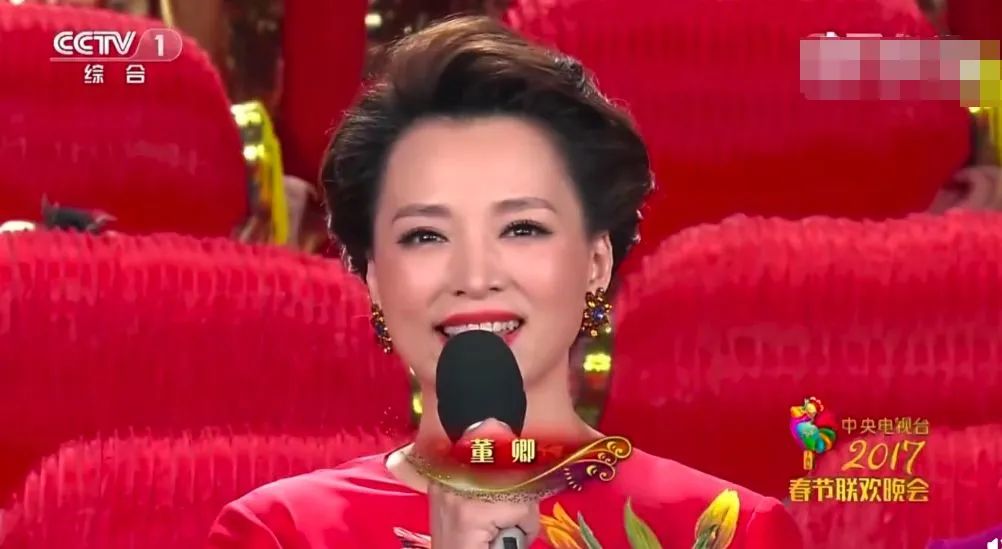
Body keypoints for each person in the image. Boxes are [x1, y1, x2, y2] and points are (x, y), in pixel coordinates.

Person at [207, 16, 803, 549]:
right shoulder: (280, 533)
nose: (475, 277)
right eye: (425, 235)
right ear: (374, 278)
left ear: (596, 262)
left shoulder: (728, 530)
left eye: (522, 229)